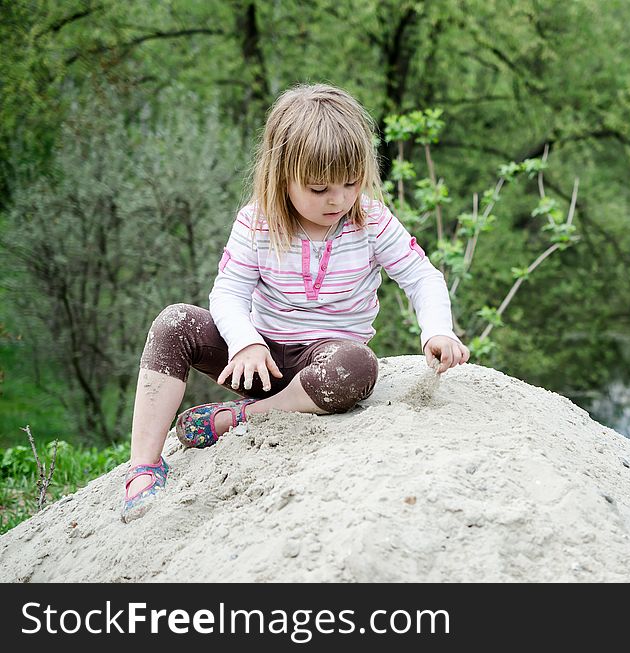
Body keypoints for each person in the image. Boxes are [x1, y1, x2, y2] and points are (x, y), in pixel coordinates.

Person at [122, 83, 469, 523]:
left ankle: (240, 419)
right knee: (174, 323)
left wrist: (437, 328)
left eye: (350, 182)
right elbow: (228, 293)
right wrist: (246, 342)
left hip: (322, 370)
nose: (338, 199)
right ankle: (144, 467)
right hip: (257, 360)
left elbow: (421, 276)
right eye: (319, 187)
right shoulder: (257, 223)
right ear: (282, 175)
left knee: (358, 365)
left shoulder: (371, 221)